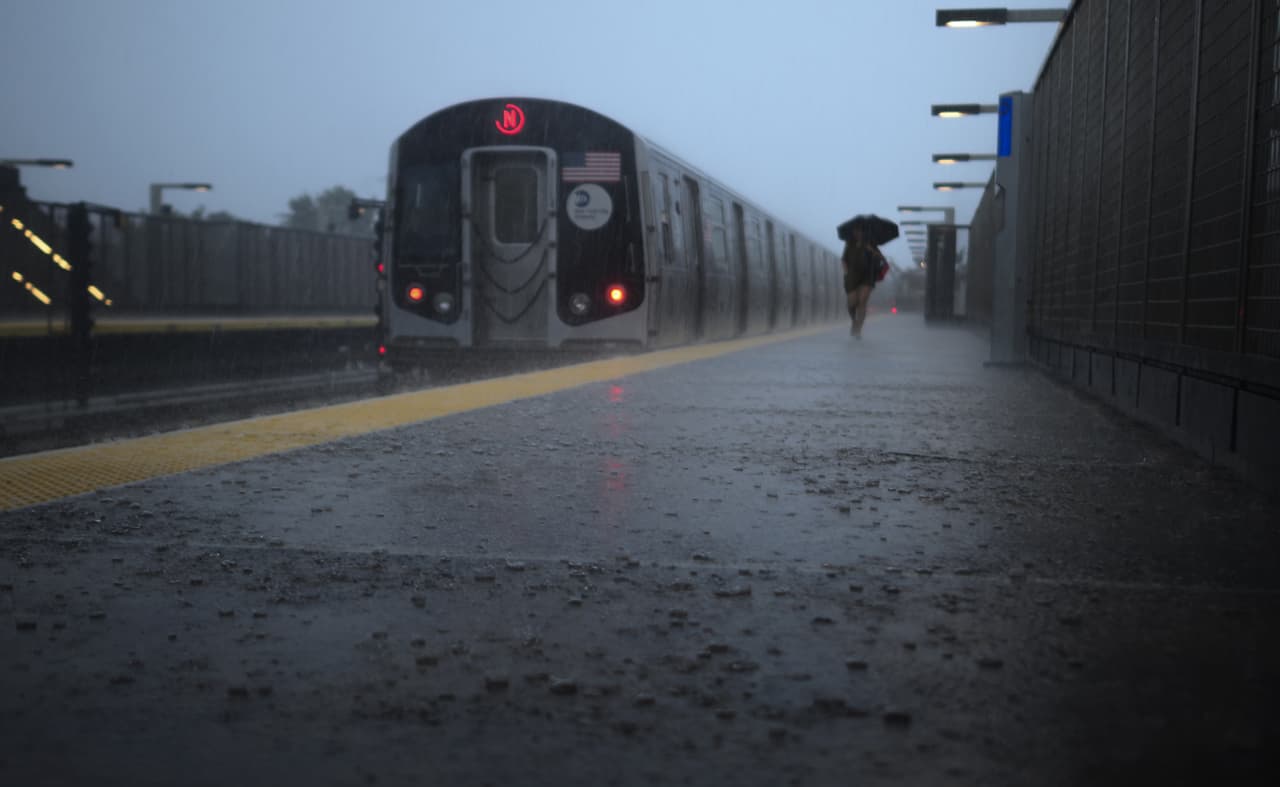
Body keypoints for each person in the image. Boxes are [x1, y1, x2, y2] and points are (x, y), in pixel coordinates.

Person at [841, 226, 886, 339]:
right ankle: (854, 321)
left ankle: (858, 329)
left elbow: (882, 259)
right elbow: (844, 259)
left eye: (859, 230)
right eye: (855, 230)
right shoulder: (849, 244)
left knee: (862, 302)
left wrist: (871, 250)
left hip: (867, 276)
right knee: (851, 303)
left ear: (863, 232)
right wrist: (846, 272)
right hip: (852, 276)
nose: (857, 232)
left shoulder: (871, 244)